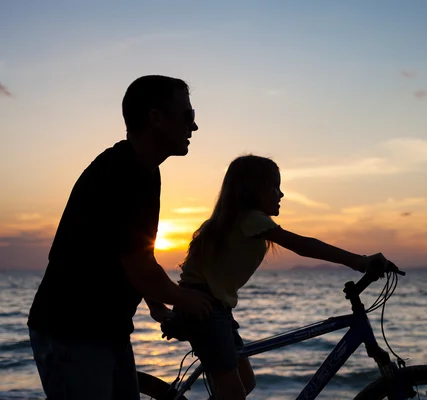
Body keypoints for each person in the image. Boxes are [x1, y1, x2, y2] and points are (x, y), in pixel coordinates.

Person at [27, 75, 215, 400]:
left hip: (106, 330)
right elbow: (139, 266)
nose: (194, 127)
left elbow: (133, 252)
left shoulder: (144, 170)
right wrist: (187, 300)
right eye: (187, 115)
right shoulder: (121, 172)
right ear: (155, 117)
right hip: (71, 330)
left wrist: (157, 304)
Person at [174, 154, 393, 400]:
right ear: (254, 189)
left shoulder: (236, 220)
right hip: (204, 309)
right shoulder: (249, 218)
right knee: (234, 394)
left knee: (245, 382)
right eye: (275, 186)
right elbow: (303, 245)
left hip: (216, 308)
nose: (281, 194)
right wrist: (358, 261)